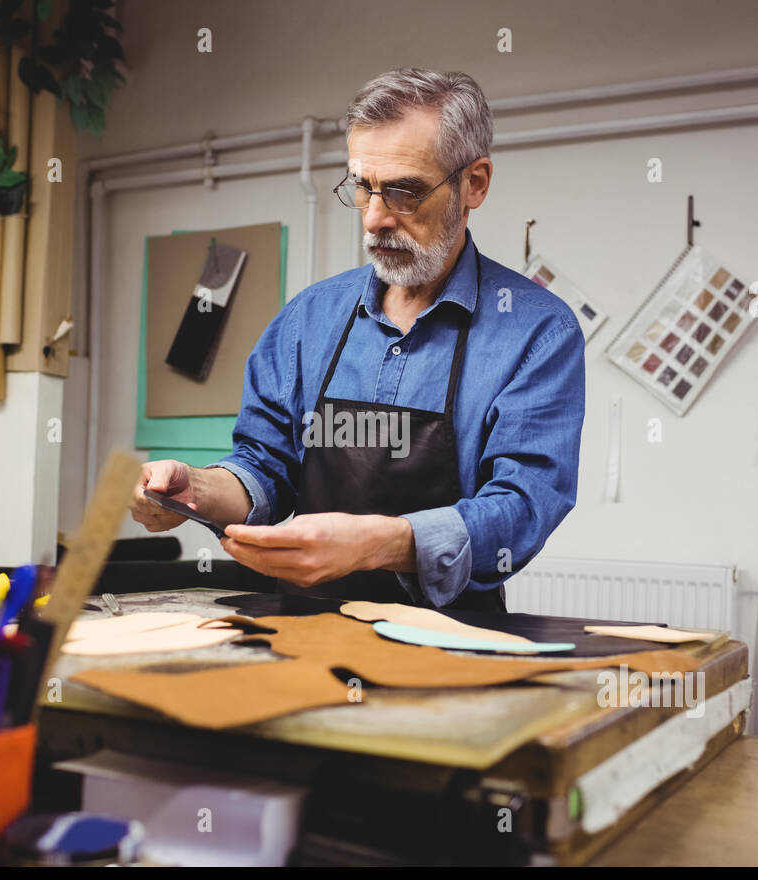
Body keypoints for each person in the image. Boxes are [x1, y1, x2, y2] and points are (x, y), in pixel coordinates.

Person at [131, 68, 585, 610]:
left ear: (475, 184)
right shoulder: (308, 318)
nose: (373, 219)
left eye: (404, 192)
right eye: (362, 187)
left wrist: (375, 544)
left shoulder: (536, 330)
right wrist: (195, 491)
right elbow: (265, 466)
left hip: (452, 648)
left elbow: (522, 506)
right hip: (303, 636)